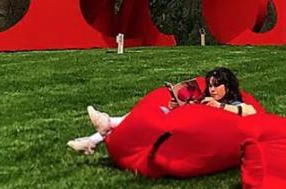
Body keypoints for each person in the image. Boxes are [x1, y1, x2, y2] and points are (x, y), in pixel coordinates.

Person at [67, 66, 256, 155]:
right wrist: (179, 105)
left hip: (191, 138)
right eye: (210, 85)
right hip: (180, 126)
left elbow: (251, 112)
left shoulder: (235, 104)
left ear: (228, 86)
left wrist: (220, 106)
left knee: (151, 121)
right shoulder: (206, 99)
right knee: (153, 112)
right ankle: (95, 137)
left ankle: (102, 130)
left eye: (217, 85)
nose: (212, 89)